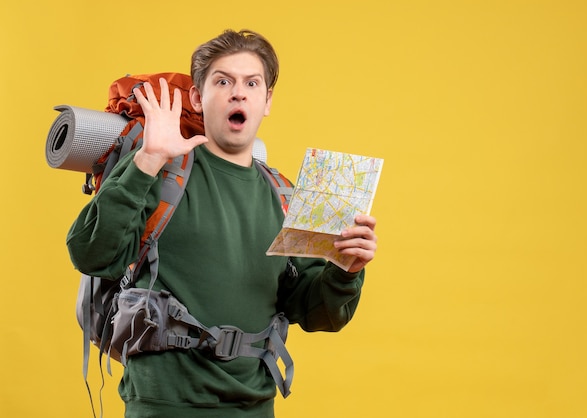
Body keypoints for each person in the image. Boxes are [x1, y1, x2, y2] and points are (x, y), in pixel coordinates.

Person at [67, 29, 378, 418]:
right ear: (198, 97)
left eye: (252, 83)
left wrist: (346, 272)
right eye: (223, 81)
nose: (238, 92)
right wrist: (148, 158)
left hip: (254, 406)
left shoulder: (286, 196)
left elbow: (318, 314)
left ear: (267, 101)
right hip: (163, 406)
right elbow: (91, 254)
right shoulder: (158, 168)